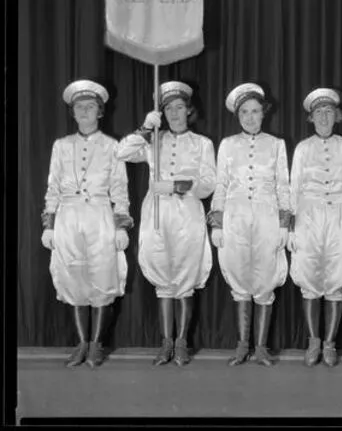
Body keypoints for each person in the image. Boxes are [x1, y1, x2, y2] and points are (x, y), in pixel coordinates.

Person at [116, 81, 216, 367]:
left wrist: (176, 184)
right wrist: (146, 129)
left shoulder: (202, 143)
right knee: (163, 277)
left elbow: (209, 185)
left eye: (179, 107)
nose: (174, 113)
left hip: (187, 213)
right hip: (157, 212)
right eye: (168, 108)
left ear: (189, 110)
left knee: (184, 278)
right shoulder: (153, 140)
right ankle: (166, 343)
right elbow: (121, 153)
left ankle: (182, 343)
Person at [41, 80, 133, 368]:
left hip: (100, 217)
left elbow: (119, 189)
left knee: (102, 276)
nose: (84, 111)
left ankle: (96, 344)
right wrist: (49, 224)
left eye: (90, 107)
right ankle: (81, 342)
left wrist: (120, 226)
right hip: (68, 217)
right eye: (79, 107)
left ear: (99, 112)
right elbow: (53, 187)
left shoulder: (112, 146)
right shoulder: (61, 145)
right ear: (73, 113)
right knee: (74, 277)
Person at [208, 83, 291, 367]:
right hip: (236, 216)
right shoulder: (228, 145)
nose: (250, 117)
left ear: (263, 113)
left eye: (255, 111)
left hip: (267, 217)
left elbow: (284, 186)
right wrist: (217, 223)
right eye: (245, 112)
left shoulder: (276, 144)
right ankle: (243, 345)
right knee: (240, 277)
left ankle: (262, 347)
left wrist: (284, 225)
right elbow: (220, 185)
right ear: (237, 115)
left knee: (265, 280)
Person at [288, 88, 342, 368]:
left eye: (329, 112)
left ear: (336, 116)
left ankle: (330, 343)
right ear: (311, 117)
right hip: (308, 216)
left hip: (339, 217)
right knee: (309, 280)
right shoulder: (303, 148)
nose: (324, 117)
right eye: (318, 112)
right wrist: (291, 227)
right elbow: (293, 188)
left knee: (334, 280)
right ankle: (313, 341)